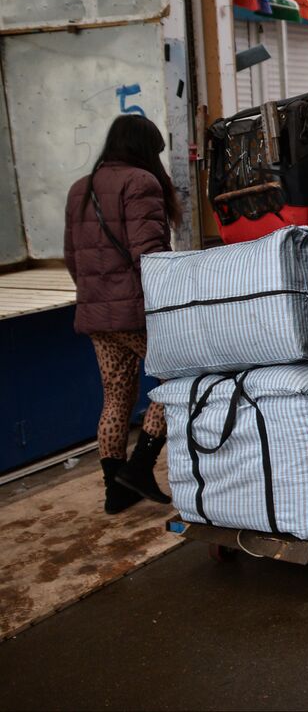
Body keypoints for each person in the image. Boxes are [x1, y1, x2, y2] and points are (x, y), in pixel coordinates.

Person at [63, 114, 178, 514]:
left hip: (95, 313)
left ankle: (116, 490)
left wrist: (95, 295)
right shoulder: (140, 182)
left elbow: (71, 257)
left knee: (116, 395)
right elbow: (150, 256)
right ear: (143, 149)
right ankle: (141, 467)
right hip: (135, 312)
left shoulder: (81, 187)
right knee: (175, 378)